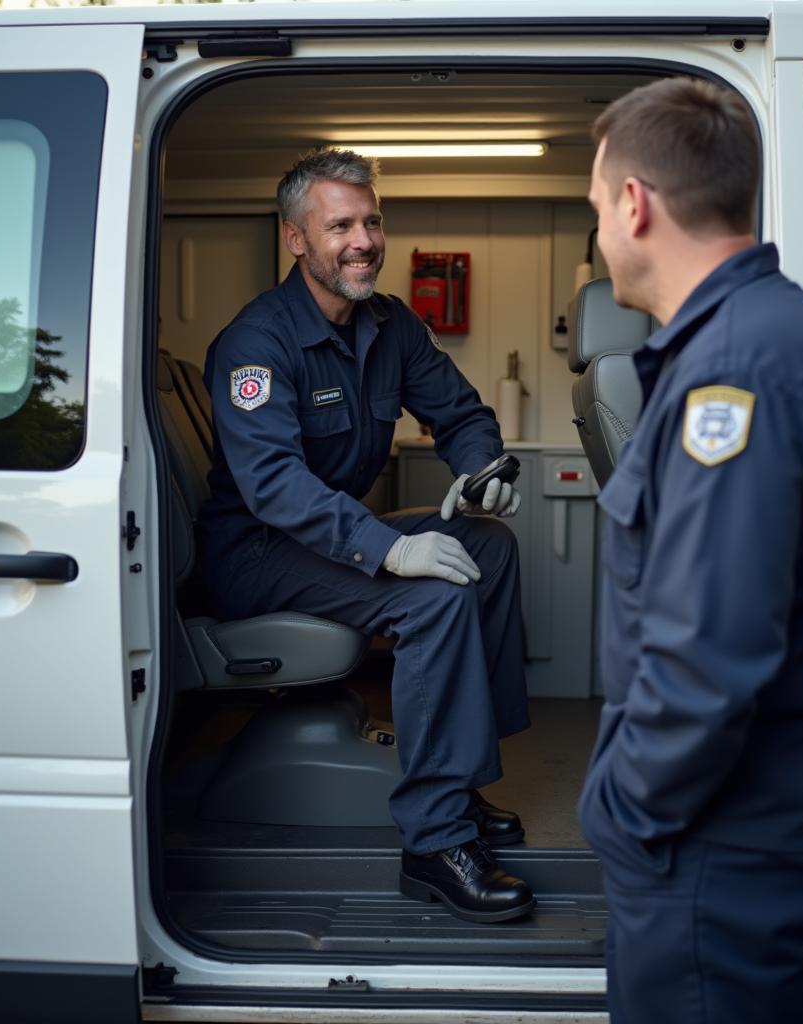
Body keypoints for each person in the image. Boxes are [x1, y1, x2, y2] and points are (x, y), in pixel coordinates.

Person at [578, 78, 803, 1023]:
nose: (600, 233)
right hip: (748, 824)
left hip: (725, 839)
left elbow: (709, 658)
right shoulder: (749, 342)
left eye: (598, 207)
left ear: (635, 205)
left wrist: (623, 816)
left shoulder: (738, 374)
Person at [196, 147, 535, 924]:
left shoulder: (391, 326)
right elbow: (275, 486)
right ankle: (433, 843)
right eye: (340, 224)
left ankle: (456, 778)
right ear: (296, 240)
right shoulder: (257, 343)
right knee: (429, 598)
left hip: (325, 541)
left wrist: (482, 468)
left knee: (489, 546)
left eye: (372, 221)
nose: (362, 240)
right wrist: (389, 548)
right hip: (255, 551)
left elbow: (461, 411)